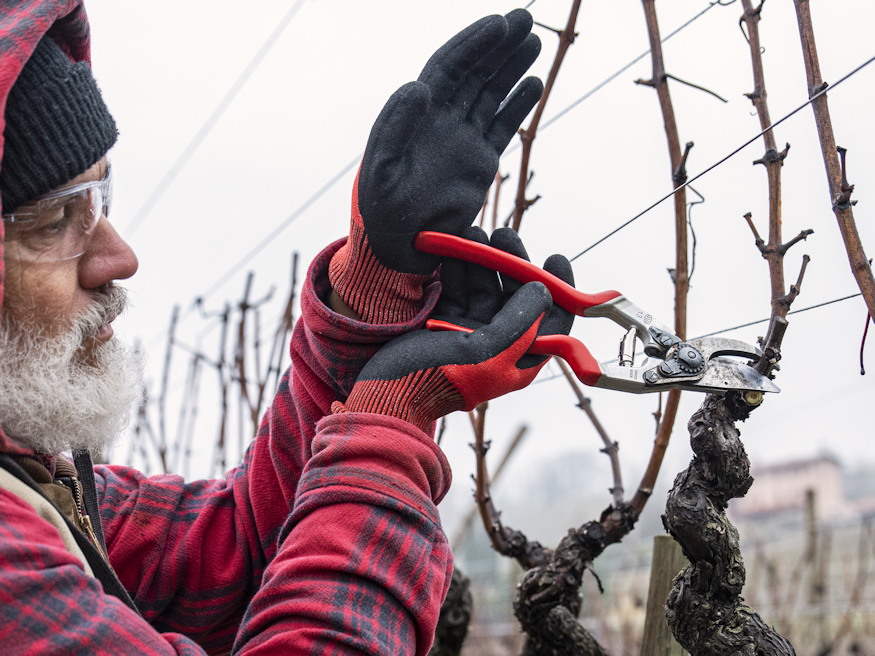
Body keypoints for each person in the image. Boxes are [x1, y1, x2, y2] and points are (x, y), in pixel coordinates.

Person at [0, 2, 574, 654]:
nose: (119, 259)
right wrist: (390, 429)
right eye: (53, 222)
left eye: (101, 198)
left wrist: (373, 297)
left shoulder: (32, 483)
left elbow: (233, 555)